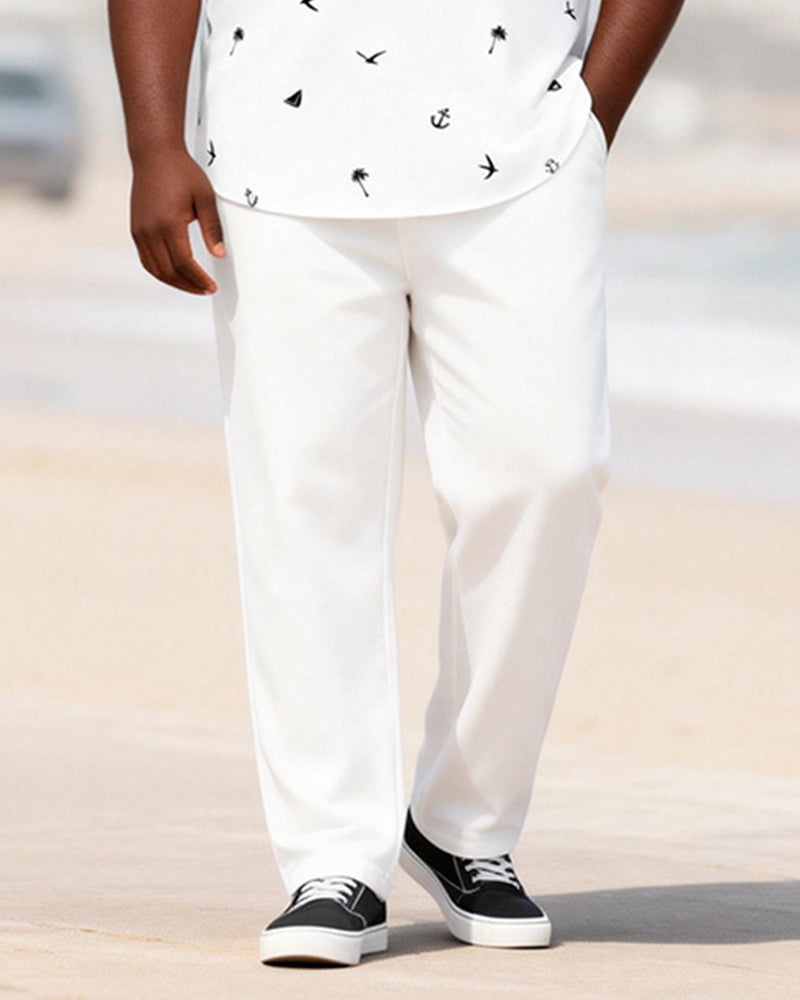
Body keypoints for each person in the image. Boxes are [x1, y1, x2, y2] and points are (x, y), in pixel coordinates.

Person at [109, 0, 685, 968]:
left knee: (548, 473)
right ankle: (333, 856)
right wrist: (154, 141)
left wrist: (590, 118)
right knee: (306, 507)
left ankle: (463, 822)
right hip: (277, 162)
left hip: (523, 152)